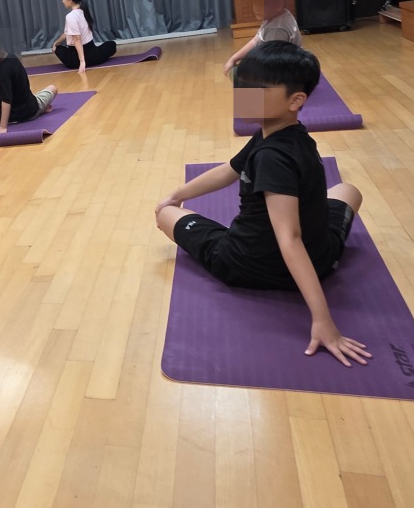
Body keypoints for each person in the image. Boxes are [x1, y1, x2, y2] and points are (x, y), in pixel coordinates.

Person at [155, 41, 369, 367]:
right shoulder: (284, 132)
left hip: (249, 263)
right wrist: (179, 193)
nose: (244, 96)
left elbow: (290, 238)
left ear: (296, 100)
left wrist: (323, 319)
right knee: (348, 190)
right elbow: (229, 170)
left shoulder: (271, 157)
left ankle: (299, 289)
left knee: (164, 216)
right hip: (322, 255)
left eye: (258, 90)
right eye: (242, 86)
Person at [222, 0, 302, 77]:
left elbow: (273, 63)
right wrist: (234, 58)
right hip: (278, 64)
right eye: (254, 2)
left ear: (279, 4)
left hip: (286, 72)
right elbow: (256, 40)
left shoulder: (277, 28)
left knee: (236, 74)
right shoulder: (275, 16)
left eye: (262, 4)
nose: (256, 7)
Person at [0, 48, 58, 135]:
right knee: (53, 88)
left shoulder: (3, 71)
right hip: (31, 111)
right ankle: (41, 109)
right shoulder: (12, 58)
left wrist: (2, 127)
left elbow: (6, 101)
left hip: (11, 118)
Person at [52, 0, 117, 73]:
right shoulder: (84, 10)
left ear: (70, 0)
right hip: (93, 54)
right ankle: (87, 60)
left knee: (58, 49)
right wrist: (56, 43)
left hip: (75, 58)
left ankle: (83, 60)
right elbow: (67, 33)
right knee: (112, 44)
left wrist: (82, 62)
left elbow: (77, 39)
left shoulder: (70, 17)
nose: (62, 1)